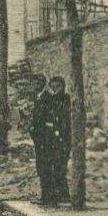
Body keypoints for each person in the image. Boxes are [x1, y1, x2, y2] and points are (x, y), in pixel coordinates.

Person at [31, 75, 72, 207]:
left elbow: (58, 120)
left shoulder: (59, 100)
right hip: (44, 139)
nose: (55, 90)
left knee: (54, 168)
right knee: (45, 168)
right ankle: (53, 197)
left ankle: (54, 197)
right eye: (53, 87)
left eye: (58, 87)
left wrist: (49, 129)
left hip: (55, 139)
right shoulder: (42, 98)